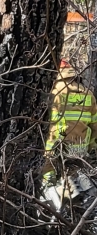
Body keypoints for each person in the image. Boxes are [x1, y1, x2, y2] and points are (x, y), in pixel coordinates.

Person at [43, 59, 97, 187]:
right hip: (79, 151)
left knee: (49, 187)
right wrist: (91, 147)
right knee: (74, 188)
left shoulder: (53, 93)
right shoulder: (87, 94)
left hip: (54, 149)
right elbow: (95, 126)